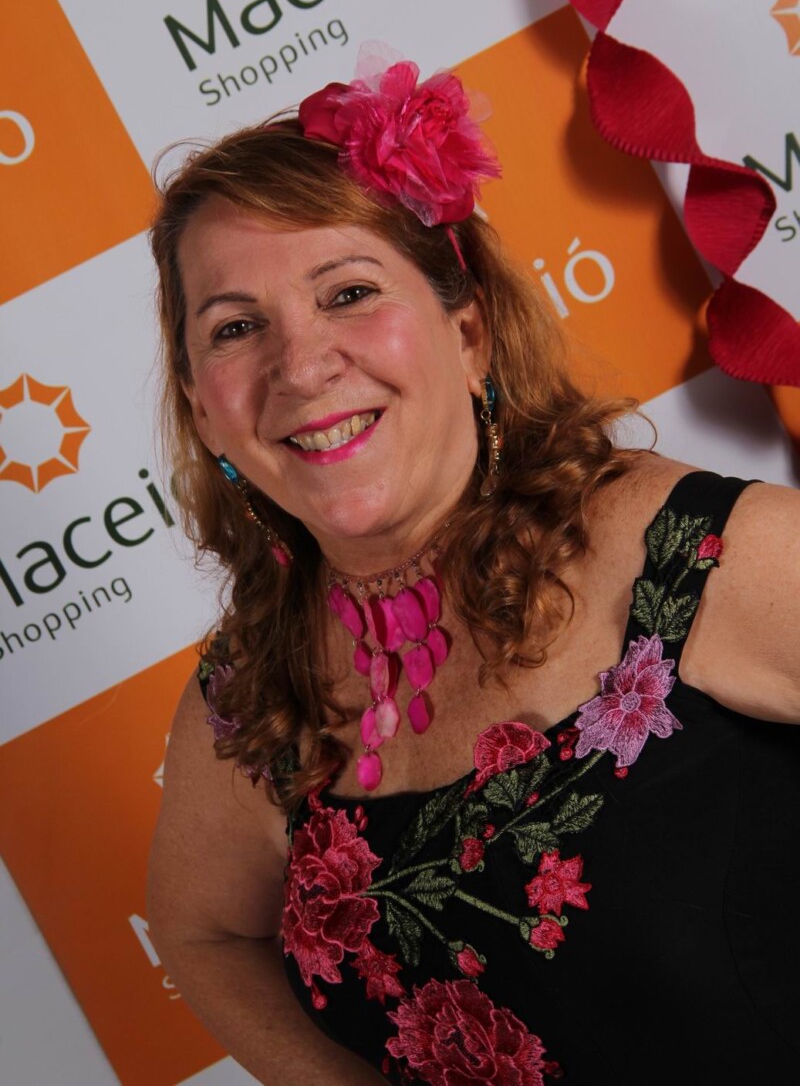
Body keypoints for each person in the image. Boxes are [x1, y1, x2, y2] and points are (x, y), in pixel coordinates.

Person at [146, 54, 800, 1086]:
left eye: (349, 292)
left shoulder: (696, 559)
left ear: (467, 334)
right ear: (201, 405)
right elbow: (204, 934)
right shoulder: (250, 690)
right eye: (235, 327)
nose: (300, 365)